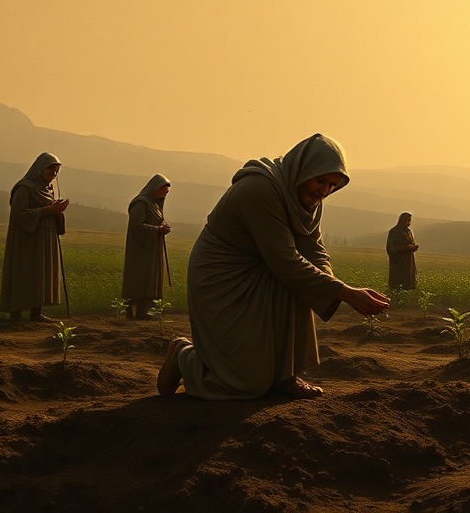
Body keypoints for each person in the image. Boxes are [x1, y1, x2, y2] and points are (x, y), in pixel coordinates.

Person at [157, 134, 389, 400]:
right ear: (303, 170)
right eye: (320, 181)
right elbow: (286, 261)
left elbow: (313, 249)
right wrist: (345, 292)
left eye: (332, 185)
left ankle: (285, 375)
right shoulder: (260, 189)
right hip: (223, 273)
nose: (324, 191)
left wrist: (333, 283)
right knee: (245, 384)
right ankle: (184, 355)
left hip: (267, 267)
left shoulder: (308, 199)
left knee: (306, 283)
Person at [0, 152, 70, 322]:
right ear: (40, 169)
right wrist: (50, 210)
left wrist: (58, 212)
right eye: (50, 170)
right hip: (26, 240)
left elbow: (49, 212)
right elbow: (19, 214)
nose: (53, 174)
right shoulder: (24, 188)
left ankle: (36, 313)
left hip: (45, 238)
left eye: (56, 171)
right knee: (24, 272)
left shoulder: (48, 190)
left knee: (41, 274)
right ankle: (15, 313)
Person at [121, 174, 172, 320]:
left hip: (152, 250)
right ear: (155, 188)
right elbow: (137, 226)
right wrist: (158, 230)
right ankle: (136, 311)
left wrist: (161, 228)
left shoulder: (153, 205)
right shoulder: (141, 203)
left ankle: (145, 309)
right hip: (141, 250)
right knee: (140, 279)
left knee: (150, 279)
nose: (164, 194)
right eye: (163, 191)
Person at [387, 212, 419, 290]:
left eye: (410, 220)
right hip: (398, 263)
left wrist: (413, 247)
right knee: (398, 284)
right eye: (408, 220)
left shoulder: (409, 231)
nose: (409, 223)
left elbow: (411, 242)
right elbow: (390, 248)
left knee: (408, 283)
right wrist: (405, 247)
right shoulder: (393, 232)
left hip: (408, 261)